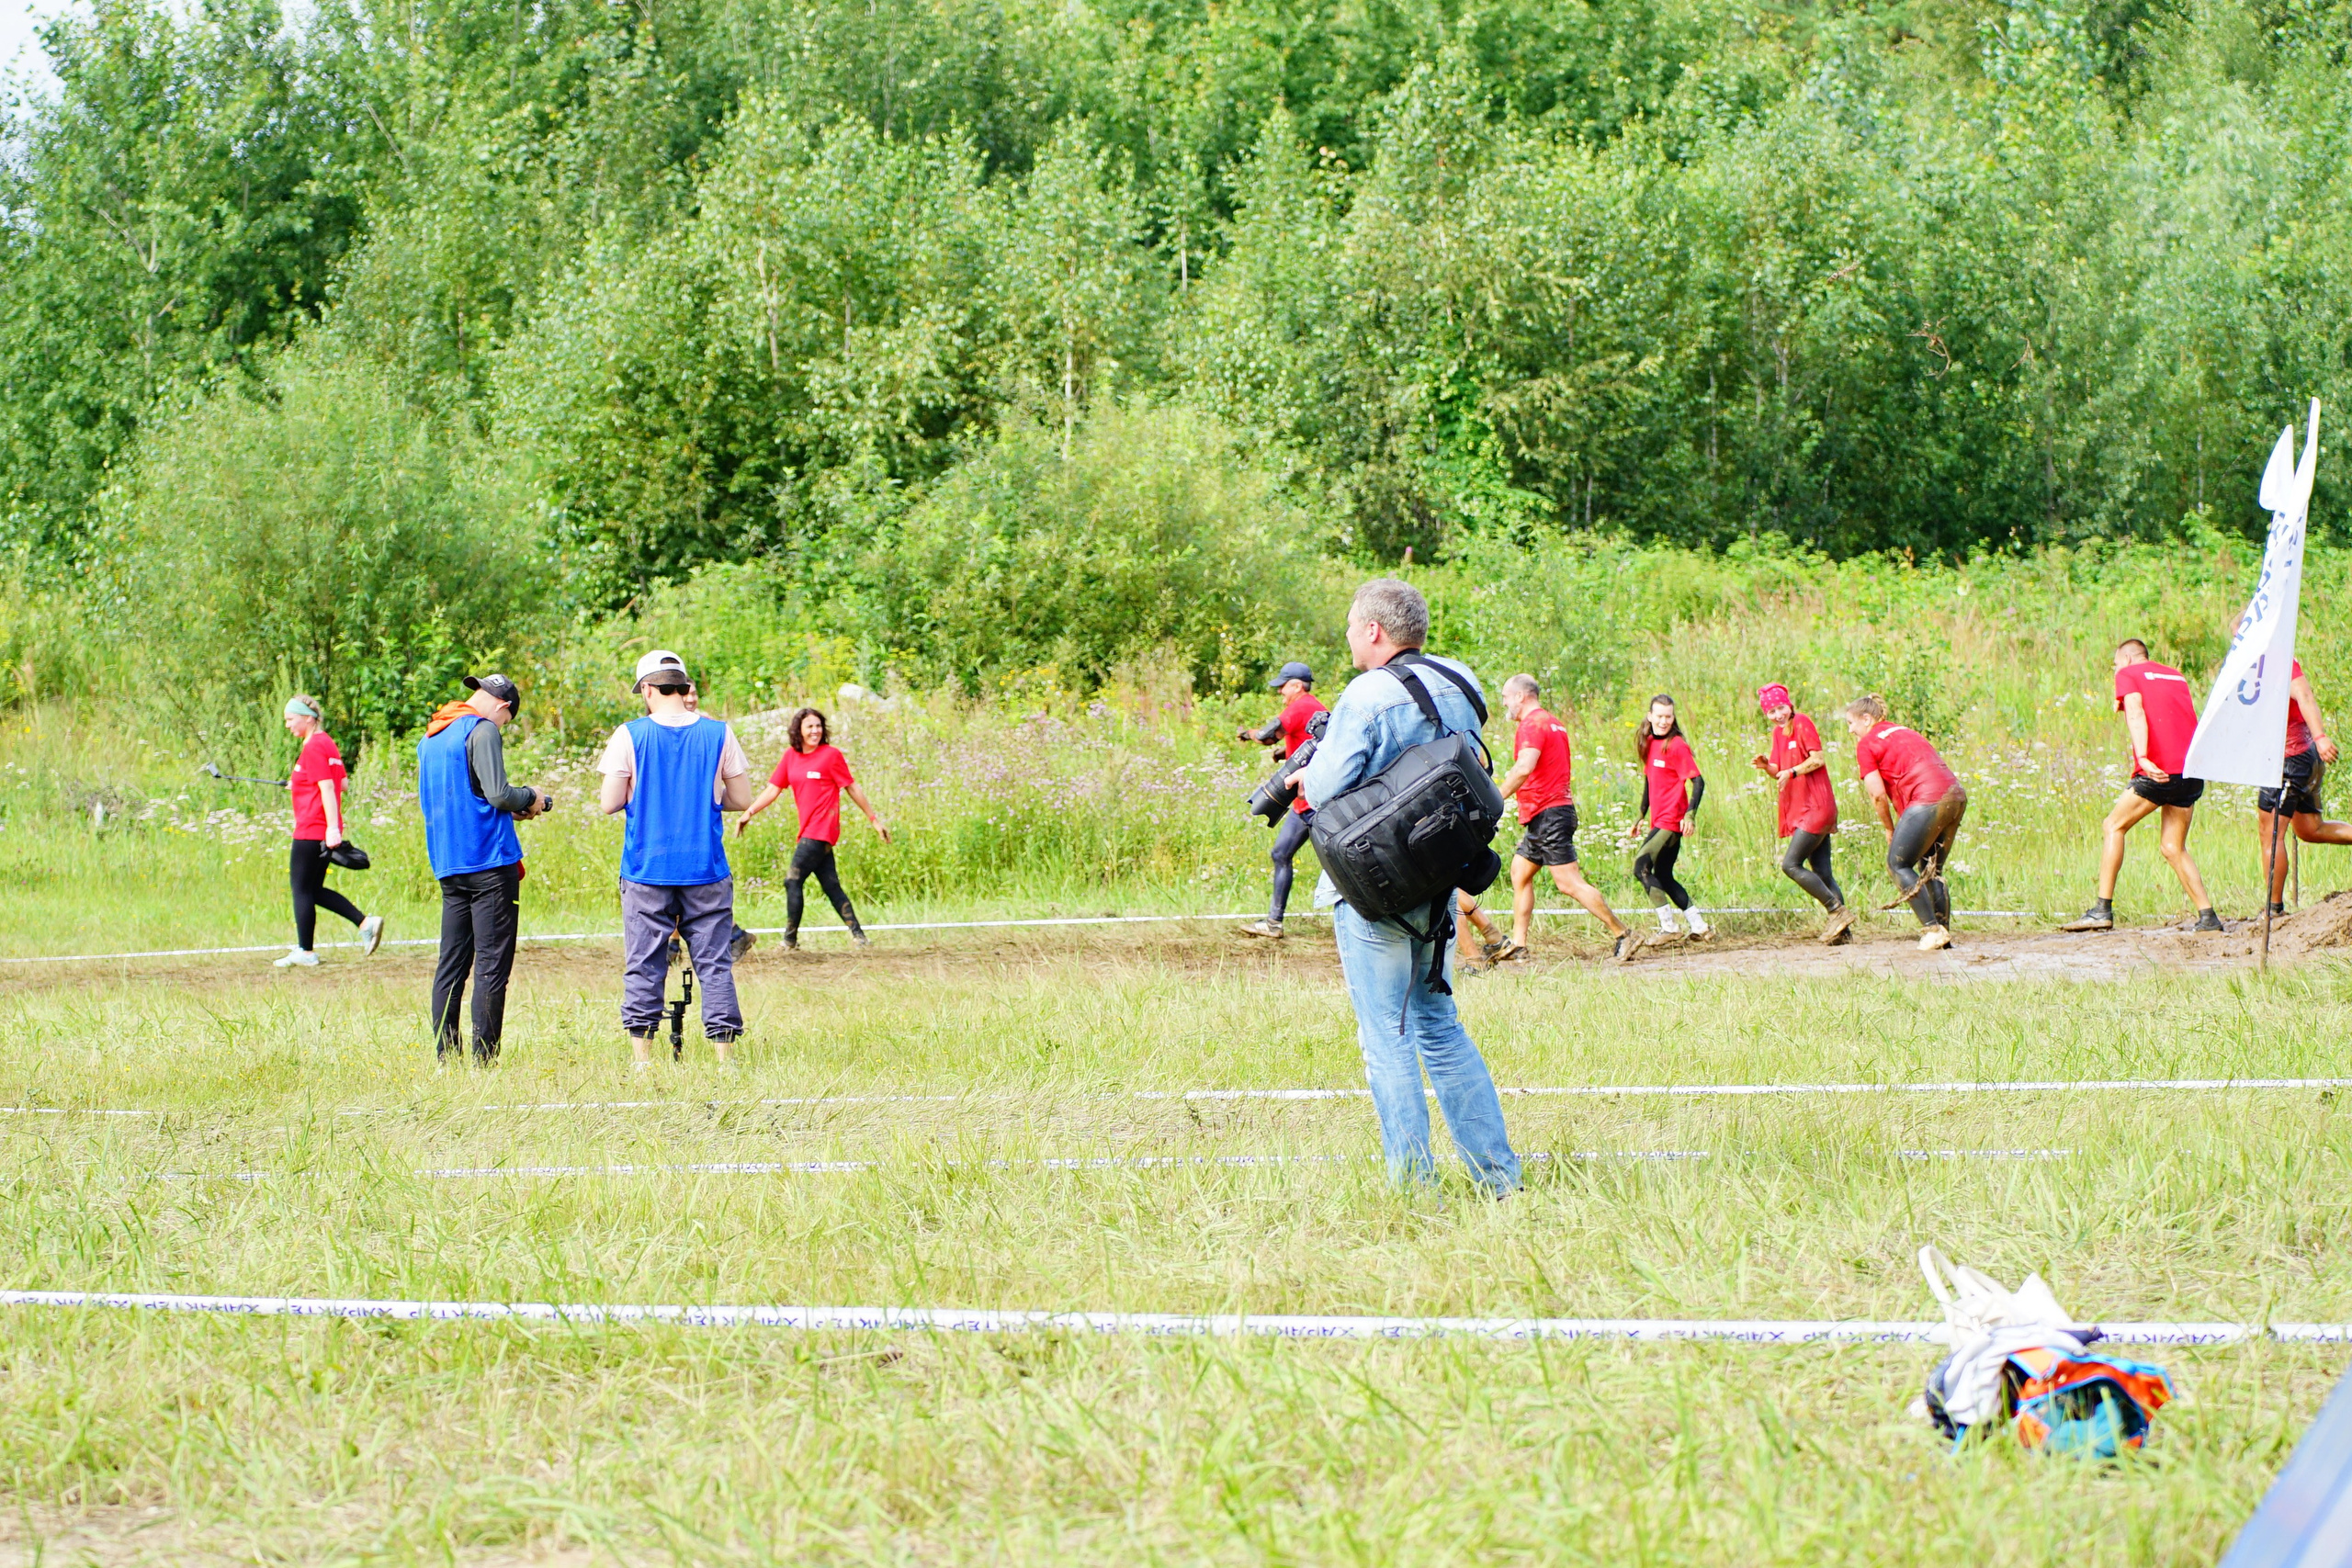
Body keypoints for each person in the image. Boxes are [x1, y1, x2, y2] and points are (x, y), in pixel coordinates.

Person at [1292, 578, 1519, 1196]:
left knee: (1386, 1038)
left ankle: (1415, 1189)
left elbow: (1326, 787)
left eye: (1349, 627)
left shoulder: (1365, 694)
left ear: (1373, 631)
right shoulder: (1459, 680)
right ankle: (1499, 1178)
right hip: (1440, 879)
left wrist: (1302, 776)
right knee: (1440, 1025)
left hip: (1374, 888)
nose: (1347, 638)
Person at [599, 650, 755, 1067]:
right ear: (684, 687)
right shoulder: (719, 733)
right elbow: (741, 799)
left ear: (647, 690)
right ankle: (725, 1059)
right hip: (705, 866)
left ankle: (642, 1061)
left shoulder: (628, 735)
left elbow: (609, 802)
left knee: (644, 963)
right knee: (715, 962)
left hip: (647, 867)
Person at [418, 672, 549, 1063]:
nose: (502, 726)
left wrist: (514, 808)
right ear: (504, 707)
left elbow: (464, 796)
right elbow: (498, 794)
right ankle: (484, 1061)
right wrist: (534, 798)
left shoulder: (432, 736)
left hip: (449, 862)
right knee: (492, 965)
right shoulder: (483, 730)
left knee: (451, 964)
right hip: (489, 863)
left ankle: (446, 1057)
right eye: (506, 721)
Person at [2060, 639, 2222, 933]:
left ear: (2126, 657)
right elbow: (2171, 712)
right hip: (2191, 769)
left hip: (2158, 771)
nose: (2115, 671)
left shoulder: (2128, 674)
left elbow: (2136, 711)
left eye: (2115, 664)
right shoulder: (2176, 675)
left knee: (2113, 826)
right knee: (2173, 847)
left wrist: (2144, 757)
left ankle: (2101, 910)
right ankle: (2208, 916)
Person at [1487, 674, 1637, 964]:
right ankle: (1519, 945)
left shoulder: (1532, 725)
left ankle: (1622, 933)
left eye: (1506, 696)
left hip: (1550, 813)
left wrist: (1495, 797)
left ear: (1521, 696)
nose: (1504, 702)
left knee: (1568, 883)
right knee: (1520, 872)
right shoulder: (1552, 722)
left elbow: (1523, 768)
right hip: (1548, 813)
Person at [737, 706, 890, 950]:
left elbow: (852, 787)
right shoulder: (790, 757)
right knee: (831, 886)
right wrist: (749, 813)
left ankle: (789, 941)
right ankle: (860, 937)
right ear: (798, 729)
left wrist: (874, 820)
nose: (815, 730)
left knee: (792, 881)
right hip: (808, 830)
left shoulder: (831, 755)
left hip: (822, 829)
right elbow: (773, 789)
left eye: (818, 726)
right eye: (809, 726)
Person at [1843, 694, 1965, 951]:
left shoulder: (1867, 743)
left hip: (1927, 799)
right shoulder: (1905, 731)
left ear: (1867, 718)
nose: (1850, 730)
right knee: (1932, 870)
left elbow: (1877, 794)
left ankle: (1931, 929)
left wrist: (1889, 828)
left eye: (1851, 723)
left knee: (1897, 864)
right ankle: (1944, 936)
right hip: (1955, 795)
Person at [1752, 683, 1851, 943]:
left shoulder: (1802, 722)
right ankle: (1844, 934)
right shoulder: (1778, 733)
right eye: (1771, 711)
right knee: (1823, 872)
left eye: (1781, 707)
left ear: (1790, 704)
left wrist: (1792, 772)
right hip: (1803, 807)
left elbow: (1818, 759)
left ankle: (1836, 911)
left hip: (1816, 806)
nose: (1777, 714)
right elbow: (1779, 769)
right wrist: (1767, 767)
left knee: (1790, 865)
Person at [1238, 660, 1328, 940]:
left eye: (1283, 687)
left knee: (1337, 864)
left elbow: (1267, 734)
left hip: (1314, 804)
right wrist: (1284, 754)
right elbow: (1309, 745)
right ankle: (1274, 922)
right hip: (1308, 804)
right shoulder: (1314, 707)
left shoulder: (1301, 705)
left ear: (1297, 685)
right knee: (1281, 854)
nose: (1281, 693)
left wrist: (1246, 734)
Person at [2256, 657, 2351, 916]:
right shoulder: (2255, 664)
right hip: (2300, 757)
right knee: (2311, 829)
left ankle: (2273, 910)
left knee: (2271, 832)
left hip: (2291, 758)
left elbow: (2305, 696)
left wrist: (2321, 737)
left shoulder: (2279, 657)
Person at [684, 680, 760, 964]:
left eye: (694, 693)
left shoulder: (707, 727)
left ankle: (731, 935)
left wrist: (714, 801)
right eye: (686, 693)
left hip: (701, 823)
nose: (690, 699)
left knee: (688, 892)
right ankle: (731, 935)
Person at [1625, 694, 1709, 940]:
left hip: (1671, 820)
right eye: (1659, 716)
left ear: (1673, 717)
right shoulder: (1650, 743)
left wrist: (1690, 815)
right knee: (1663, 875)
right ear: (1650, 716)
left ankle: (1669, 928)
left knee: (1641, 867)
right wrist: (1641, 815)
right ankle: (1699, 926)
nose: (1664, 721)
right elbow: (1649, 782)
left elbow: (1698, 781)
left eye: (1668, 717)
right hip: (1658, 819)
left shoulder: (1676, 745)